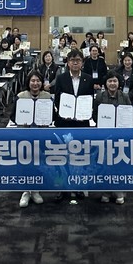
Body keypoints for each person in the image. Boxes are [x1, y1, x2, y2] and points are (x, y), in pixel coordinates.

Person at [52, 49, 95, 204]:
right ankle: (61, 187)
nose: (75, 63)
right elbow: (57, 99)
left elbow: (90, 99)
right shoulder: (61, 78)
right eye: (72, 60)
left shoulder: (88, 79)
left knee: (79, 155)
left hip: (81, 122)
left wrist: (84, 112)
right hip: (64, 121)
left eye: (78, 60)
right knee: (62, 155)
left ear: (82, 62)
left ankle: (77, 185)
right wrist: (65, 111)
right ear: (68, 62)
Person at [14, 72, 51, 208]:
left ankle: (35, 190)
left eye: (38, 81)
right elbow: (13, 116)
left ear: (42, 83)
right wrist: (21, 119)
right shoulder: (21, 96)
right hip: (25, 135)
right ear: (28, 82)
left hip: (41, 135)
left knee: (38, 162)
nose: (35, 83)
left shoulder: (47, 97)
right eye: (32, 81)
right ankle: (25, 191)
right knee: (25, 162)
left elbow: (52, 115)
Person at [93, 73, 130, 205]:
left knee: (119, 164)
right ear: (106, 83)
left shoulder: (125, 96)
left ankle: (119, 191)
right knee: (105, 164)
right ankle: (106, 191)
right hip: (104, 136)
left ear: (119, 83)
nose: (112, 84)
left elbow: (129, 114)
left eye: (115, 81)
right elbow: (95, 114)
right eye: (110, 81)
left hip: (120, 136)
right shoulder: (99, 96)